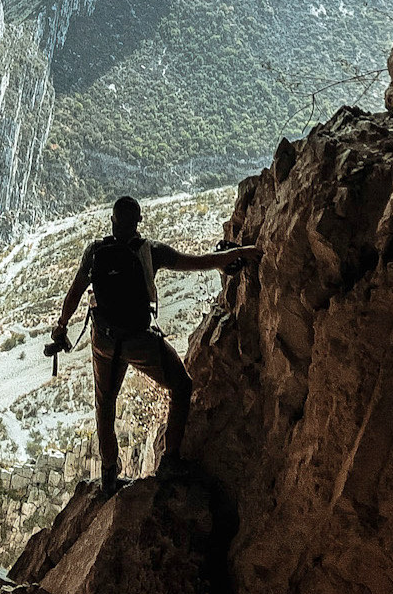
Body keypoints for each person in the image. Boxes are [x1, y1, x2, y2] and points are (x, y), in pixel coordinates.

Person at [51, 194, 254, 495]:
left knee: (105, 404)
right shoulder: (151, 252)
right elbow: (198, 263)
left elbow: (74, 294)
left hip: (103, 339)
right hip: (138, 340)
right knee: (182, 386)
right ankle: (170, 460)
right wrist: (240, 253)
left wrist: (61, 326)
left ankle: (108, 477)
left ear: (112, 221)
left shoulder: (95, 252)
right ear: (139, 223)